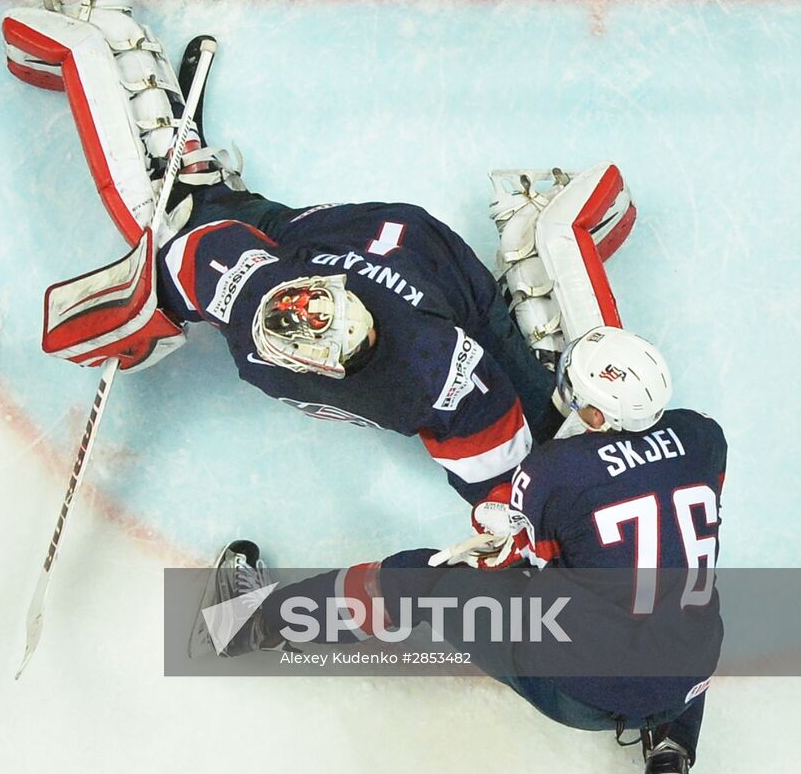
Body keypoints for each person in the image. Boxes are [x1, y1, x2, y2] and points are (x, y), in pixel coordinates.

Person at [1, 0, 635, 505]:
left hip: (426, 258)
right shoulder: (248, 281)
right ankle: (102, 33)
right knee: (180, 209)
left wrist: (519, 518)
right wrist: (111, 324)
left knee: (548, 433)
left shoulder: (435, 371)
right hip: (339, 240)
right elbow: (164, 270)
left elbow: (513, 490)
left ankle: (540, 230)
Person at [196, 328, 724, 773]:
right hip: (687, 682)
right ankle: (672, 747)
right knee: (679, 594)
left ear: (595, 417)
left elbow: (507, 556)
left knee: (420, 578)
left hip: (582, 694)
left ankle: (248, 624)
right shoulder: (703, 438)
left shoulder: (555, 471)